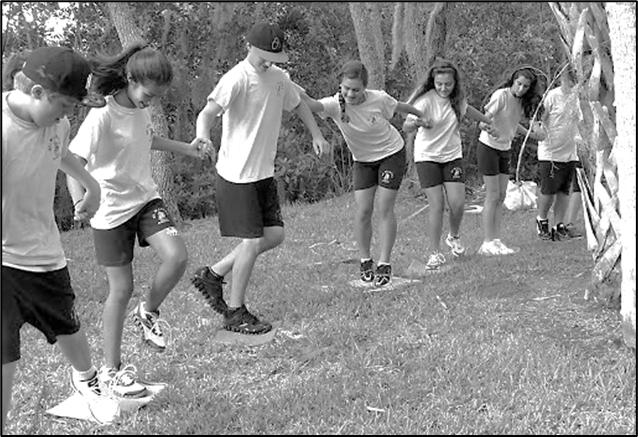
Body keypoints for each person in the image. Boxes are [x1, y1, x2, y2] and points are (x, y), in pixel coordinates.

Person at [66, 42, 211, 398]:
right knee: (121, 289)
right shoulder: (102, 115)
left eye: (158, 97)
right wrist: (79, 200)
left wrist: (186, 148)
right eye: (148, 94)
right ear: (130, 80)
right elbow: (72, 162)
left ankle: (148, 312)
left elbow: (147, 139)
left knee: (177, 256)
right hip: (109, 210)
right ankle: (111, 372)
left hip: (145, 199)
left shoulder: (141, 109)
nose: (152, 102)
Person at [2, 46, 118, 430]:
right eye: (64, 106)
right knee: (5, 355)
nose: (67, 115)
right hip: (3, 259)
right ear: (37, 92)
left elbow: (59, 153)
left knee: (68, 325)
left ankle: (87, 384)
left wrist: (90, 184)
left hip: (43, 252)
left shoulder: (57, 124)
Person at [191, 22, 331, 335]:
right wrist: (203, 136)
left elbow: (299, 106)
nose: (269, 62)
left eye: (275, 57)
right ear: (249, 47)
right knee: (252, 242)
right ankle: (235, 312)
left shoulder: (280, 78)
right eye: (265, 55)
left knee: (275, 236)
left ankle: (212, 274)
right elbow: (207, 114)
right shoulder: (236, 78)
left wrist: (316, 134)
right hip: (237, 175)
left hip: (262, 173)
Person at [300, 60, 427, 285]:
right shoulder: (334, 105)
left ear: (365, 88)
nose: (350, 93)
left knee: (384, 208)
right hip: (363, 161)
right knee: (363, 210)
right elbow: (310, 104)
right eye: (346, 88)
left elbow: (400, 107)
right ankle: (365, 260)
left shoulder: (378, 98)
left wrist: (420, 114)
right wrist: (288, 84)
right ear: (340, 86)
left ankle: (384, 263)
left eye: (356, 90)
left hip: (390, 154)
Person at [403, 59, 499, 270]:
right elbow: (406, 125)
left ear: (455, 83)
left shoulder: (457, 101)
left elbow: (472, 113)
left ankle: (453, 236)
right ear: (433, 82)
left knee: (457, 204)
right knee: (437, 205)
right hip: (427, 157)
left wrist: (490, 124)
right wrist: (419, 122)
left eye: (448, 84)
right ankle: (434, 253)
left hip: (451, 156)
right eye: (439, 84)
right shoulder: (425, 101)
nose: (443, 88)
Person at [476, 66, 546, 256]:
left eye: (525, 86)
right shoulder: (501, 95)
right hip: (488, 148)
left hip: (504, 149)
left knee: (501, 195)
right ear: (513, 81)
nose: (521, 89)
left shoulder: (520, 102)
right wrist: (490, 129)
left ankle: (496, 241)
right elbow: (483, 121)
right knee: (492, 194)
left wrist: (532, 135)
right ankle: (487, 242)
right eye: (519, 84)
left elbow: (513, 125)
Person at [535, 65, 583, 241]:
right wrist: (538, 130)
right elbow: (538, 119)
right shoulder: (552, 96)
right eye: (570, 80)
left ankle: (559, 225)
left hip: (570, 151)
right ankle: (541, 220)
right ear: (563, 79)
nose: (573, 84)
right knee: (549, 190)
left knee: (564, 190)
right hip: (551, 152)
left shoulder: (576, 97)